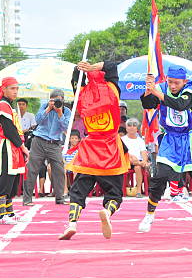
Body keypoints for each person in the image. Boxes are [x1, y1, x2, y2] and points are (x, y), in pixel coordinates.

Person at [138, 65, 192, 232]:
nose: (172, 86)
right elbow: (148, 104)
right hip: (169, 139)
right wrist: (148, 90)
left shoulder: (189, 91)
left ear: (184, 81)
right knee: (160, 177)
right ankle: (149, 215)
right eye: (170, 82)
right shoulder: (161, 88)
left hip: (188, 139)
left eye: (176, 83)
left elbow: (180, 104)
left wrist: (157, 93)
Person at [59, 62, 131, 240]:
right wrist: (94, 66)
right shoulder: (113, 89)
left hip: (90, 149)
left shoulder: (82, 94)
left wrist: (79, 69)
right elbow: (112, 67)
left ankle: (72, 223)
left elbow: (76, 80)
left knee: (78, 190)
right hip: (110, 149)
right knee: (114, 193)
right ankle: (107, 210)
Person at [0, 78, 29, 224]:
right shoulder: (2, 105)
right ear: (3, 89)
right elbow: (9, 129)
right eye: (11, 88)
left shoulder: (9, 105)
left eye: (16, 88)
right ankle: (1, 215)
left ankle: (9, 213)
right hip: (7, 146)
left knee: (13, 180)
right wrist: (22, 147)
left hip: (14, 146)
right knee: (5, 179)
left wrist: (20, 147)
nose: (15, 91)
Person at [22, 88, 71, 206]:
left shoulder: (66, 111)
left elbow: (66, 127)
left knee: (59, 170)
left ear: (63, 100)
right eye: (54, 101)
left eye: (59, 101)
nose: (56, 103)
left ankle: (59, 198)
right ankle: (27, 199)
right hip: (39, 141)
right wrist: (48, 109)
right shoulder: (45, 106)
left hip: (55, 144)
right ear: (50, 100)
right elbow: (38, 120)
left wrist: (60, 113)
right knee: (32, 169)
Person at [121, 118, 149, 198]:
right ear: (126, 128)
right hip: (126, 161)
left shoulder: (140, 140)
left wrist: (144, 160)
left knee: (137, 167)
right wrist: (132, 157)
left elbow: (143, 152)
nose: (132, 127)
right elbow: (123, 152)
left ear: (137, 128)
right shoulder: (122, 140)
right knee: (133, 160)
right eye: (129, 126)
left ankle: (138, 191)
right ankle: (129, 187)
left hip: (138, 163)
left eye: (134, 125)